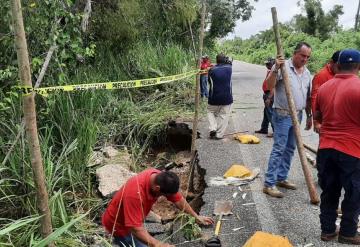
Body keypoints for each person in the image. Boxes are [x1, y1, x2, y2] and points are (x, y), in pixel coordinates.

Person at [314, 49, 360, 244]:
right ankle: (348, 233)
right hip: (352, 150)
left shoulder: (324, 88)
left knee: (329, 192)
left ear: (337, 65)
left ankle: (327, 231)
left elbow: (318, 119)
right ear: (358, 67)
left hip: (326, 149)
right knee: (354, 193)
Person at [102, 168, 214, 247]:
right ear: (157, 188)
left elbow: (178, 199)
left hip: (133, 217)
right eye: (164, 195)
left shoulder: (160, 177)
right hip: (118, 225)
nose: (165, 197)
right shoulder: (135, 195)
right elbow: (135, 228)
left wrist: (196, 216)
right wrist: (158, 244)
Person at [263, 42, 313, 198]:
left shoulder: (307, 73)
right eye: (302, 56)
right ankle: (269, 183)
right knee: (279, 148)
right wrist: (276, 69)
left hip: (297, 115)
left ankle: (281, 178)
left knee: (290, 148)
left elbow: (308, 96)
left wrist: (309, 115)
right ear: (295, 53)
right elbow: (268, 85)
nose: (305, 59)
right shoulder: (282, 67)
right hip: (283, 114)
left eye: (307, 57)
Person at [311, 51, 340, 130]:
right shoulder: (321, 75)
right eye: (338, 67)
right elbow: (314, 99)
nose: (340, 69)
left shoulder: (340, 75)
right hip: (325, 120)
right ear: (331, 62)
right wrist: (316, 121)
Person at [207, 53, 233, 140]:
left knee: (210, 112)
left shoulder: (211, 70)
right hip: (227, 98)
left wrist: (212, 67)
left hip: (213, 97)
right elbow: (229, 62)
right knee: (224, 116)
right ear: (225, 60)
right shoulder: (229, 69)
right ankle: (219, 135)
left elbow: (209, 82)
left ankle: (213, 128)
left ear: (216, 60)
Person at [255, 57, 275, 137]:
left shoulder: (274, 72)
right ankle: (264, 128)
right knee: (266, 112)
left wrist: (269, 98)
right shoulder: (270, 71)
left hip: (270, 94)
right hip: (267, 94)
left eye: (268, 64)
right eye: (266, 64)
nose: (267, 65)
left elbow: (274, 86)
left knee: (270, 112)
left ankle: (276, 131)